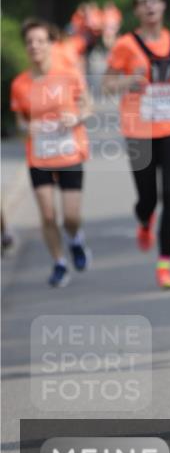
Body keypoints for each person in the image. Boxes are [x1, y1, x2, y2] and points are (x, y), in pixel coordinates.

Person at [103, 0, 170, 289]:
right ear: (136, 11)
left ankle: (164, 265)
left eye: (154, 1)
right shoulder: (126, 45)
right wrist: (129, 80)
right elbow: (106, 86)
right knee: (148, 198)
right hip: (138, 130)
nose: (149, 7)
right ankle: (145, 221)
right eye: (142, 3)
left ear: (163, 6)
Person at [10, 19, 92, 287]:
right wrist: (27, 126)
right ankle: (59, 262)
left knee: (70, 216)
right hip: (39, 155)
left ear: (50, 44)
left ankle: (75, 239)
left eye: (40, 41)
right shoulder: (20, 84)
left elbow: (88, 106)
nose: (34, 46)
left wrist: (77, 117)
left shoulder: (68, 74)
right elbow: (20, 121)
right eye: (30, 42)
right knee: (47, 215)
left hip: (69, 151)